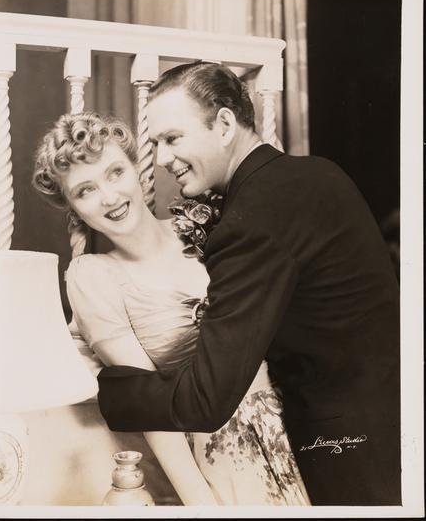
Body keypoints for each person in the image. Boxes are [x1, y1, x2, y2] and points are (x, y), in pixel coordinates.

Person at [95, 62, 401, 506]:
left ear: (224, 124)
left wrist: (105, 393)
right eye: (156, 143)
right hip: (394, 415)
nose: (160, 159)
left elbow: (206, 400)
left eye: (172, 138)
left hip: (348, 451)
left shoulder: (253, 219)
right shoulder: (319, 173)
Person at [32, 111, 310, 506]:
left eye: (115, 173)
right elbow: (147, 405)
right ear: (74, 209)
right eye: (85, 190)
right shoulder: (92, 277)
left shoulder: (209, 228)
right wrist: (200, 502)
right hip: (225, 453)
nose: (109, 197)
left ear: (138, 172)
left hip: (298, 425)